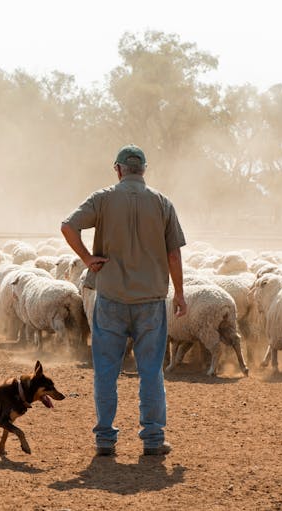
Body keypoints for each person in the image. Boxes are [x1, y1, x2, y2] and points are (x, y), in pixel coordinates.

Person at [60, 144, 187, 457]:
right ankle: (153, 439)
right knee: (151, 371)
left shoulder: (103, 198)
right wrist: (180, 293)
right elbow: (173, 252)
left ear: (118, 169)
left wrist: (88, 258)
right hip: (151, 300)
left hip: (112, 298)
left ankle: (105, 439)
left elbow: (67, 225)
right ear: (143, 169)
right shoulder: (161, 202)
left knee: (106, 371)